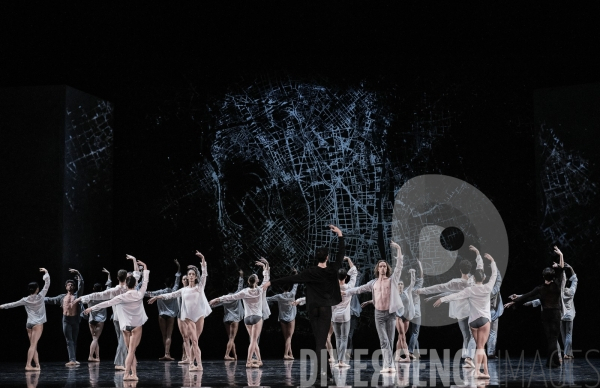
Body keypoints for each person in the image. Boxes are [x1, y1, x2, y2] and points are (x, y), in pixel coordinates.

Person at [262, 224, 345, 381]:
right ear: (327, 257)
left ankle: (327, 373)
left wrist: (271, 282)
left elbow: (290, 278)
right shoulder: (332, 269)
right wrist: (340, 235)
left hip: (313, 309)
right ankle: (322, 374)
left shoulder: (309, 272)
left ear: (317, 257)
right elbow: (341, 254)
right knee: (321, 342)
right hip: (325, 309)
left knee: (320, 340)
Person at [343, 240, 404, 374]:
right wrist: (346, 292)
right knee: (383, 340)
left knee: (390, 340)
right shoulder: (373, 283)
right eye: (380, 266)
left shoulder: (392, 280)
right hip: (379, 314)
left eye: (384, 266)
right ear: (377, 269)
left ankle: (390, 365)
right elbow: (359, 289)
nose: (383, 268)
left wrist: (398, 249)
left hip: (391, 313)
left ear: (387, 268)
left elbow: (399, 266)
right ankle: (388, 365)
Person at [433, 253, 498, 379]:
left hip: (473, 322)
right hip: (484, 321)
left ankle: (486, 372)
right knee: (480, 346)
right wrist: (492, 261)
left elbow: (456, 296)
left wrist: (443, 299)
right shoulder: (487, 287)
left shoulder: (470, 289)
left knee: (480, 346)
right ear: (483, 278)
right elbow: (494, 275)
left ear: (474, 279)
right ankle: (478, 371)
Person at [84, 258, 149, 381]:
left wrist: (91, 308)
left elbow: (107, 303)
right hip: (136, 326)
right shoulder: (140, 293)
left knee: (131, 350)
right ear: (135, 284)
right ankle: (127, 374)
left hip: (125, 326)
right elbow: (145, 281)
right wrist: (145, 267)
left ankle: (133, 374)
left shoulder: (121, 296)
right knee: (131, 351)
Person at [418, 245, 483, 368]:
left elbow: (439, 287)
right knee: (472, 335)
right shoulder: (473, 281)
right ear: (469, 270)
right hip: (472, 311)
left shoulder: (455, 283)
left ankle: (467, 357)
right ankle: (469, 357)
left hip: (461, 313)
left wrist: (423, 290)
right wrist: (478, 254)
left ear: (460, 270)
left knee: (466, 335)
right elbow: (480, 268)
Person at [73, 255, 140, 370]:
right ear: (127, 278)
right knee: (124, 341)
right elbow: (137, 274)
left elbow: (98, 295)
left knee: (122, 340)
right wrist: (134, 260)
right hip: (125, 318)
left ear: (118, 278)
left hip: (116, 318)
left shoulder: (114, 290)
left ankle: (127, 361)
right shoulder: (129, 288)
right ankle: (119, 363)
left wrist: (80, 298)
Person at [148, 251, 211, 371]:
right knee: (194, 340)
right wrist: (157, 297)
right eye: (189, 274)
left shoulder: (200, 287)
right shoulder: (183, 290)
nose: (191, 276)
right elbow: (170, 295)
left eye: (193, 274)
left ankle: (198, 365)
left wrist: (203, 258)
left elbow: (204, 274)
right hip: (188, 317)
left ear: (196, 276)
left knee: (196, 341)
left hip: (199, 316)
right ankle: (193, 364)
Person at [505, 246, 565, 368]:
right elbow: (562, 269)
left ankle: (555, 361)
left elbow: (526, 296)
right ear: (552, 277)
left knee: (550, 339)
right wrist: (561, 255)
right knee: (553, 338)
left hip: (546, 314)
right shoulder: (557, 285)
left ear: (543, 277)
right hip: (555, 314)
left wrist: (514, 302)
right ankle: (551, 362)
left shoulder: (540, 288)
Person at [210, 261, 270, 368]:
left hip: (247, 319)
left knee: (253, 340)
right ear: (256, 281)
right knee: (253, 341)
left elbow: (231, 297)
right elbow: (266, 279)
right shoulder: (260, 290)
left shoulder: (245, 291)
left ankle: (259, 360)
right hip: (256, 317)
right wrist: (265, 268)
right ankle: (248, 361)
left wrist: (218, 299)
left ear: (248, 281)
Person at [0, 268, 50, 370]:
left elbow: (12, 304)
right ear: (37, 289)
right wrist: (46, 272)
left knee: (33, 344)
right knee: (33, 345)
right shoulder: (40, 296)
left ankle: (37, 365)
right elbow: (47, 284)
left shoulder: (25, 300)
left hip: (29, 324)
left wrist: (1, 306)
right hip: (37, 324)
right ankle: (28, 365)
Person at [44, 268, 84, 367]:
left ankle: (73, 359)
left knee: (74, 340)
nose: (70, 285)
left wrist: (78, 273)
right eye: (68, 284)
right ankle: (72, 359)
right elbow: (50, 299)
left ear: (74, 287)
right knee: (69, 340)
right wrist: (38, 298)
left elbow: (81, 284)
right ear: (66, 287)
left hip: (75, 320)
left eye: (72, 285)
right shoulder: (62, 297)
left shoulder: (77, 295)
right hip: (66, 320)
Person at [144, 259, 181, 361]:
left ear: (165, 284)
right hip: (171, 315)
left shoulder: (160, 292)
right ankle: (167, 353)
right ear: (171, 283)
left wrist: (137, 291)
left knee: (163, 334)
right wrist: (178, 267)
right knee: (169, 334)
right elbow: (178, 279)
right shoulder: (174, 290)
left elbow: (148, 293)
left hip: (162, 315)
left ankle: (166, 353)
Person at [330, 256, 358, 367]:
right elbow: (354, 273)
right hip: (345, 316)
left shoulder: (332, 288)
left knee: (337, 338)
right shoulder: (349, 287)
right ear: (346, 277)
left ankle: (338, 361)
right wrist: (348, 260)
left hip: (335, 316)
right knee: (344, 338)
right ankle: (341, 361)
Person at [212, 270, 245, 360]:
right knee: (231, 338)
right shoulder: (236, 295)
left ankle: (235, 356)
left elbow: (215, 304)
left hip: (226, 319)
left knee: (231, 338)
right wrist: (241, 276)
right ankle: (226, 355)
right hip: (234, 319)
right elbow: (240, 286)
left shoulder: (224, 298)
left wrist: (209, 304)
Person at [266, 270, 298, 360]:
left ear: (282, 289)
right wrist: (295, 274)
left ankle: (290, 354)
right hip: (291, 318)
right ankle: (285, 354)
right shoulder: (292, 294)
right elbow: (295, 285)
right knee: (289, 337)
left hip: (283, 319)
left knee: (287, 338)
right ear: (288, 288)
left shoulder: (279, 296)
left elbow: (268, 299)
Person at [84, 268, 113, 362]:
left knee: (94, 338)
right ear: (101, 289)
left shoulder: (90, 296)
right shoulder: (103, 296)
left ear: (93, 289)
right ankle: (90, 356)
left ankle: (97, 357)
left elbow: (82, 301)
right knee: (95, 338)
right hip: (100, 320)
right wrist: (108, 274)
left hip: (91, 319)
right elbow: (109, 287)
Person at [407, 259, 423, 359]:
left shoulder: (407, 289)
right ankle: (411, 351)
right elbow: (421, 276)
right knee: (415, 332)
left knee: (413, 333)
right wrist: (420, 265)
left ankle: (417, 352)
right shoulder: (417, 287)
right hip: (416, 313)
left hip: (409, 313)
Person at [487, 264, 504, 359]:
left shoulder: (480, 288)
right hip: (491, 311)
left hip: (481, 312)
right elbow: (498, 279)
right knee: (492, 333)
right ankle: (490, 353)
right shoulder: (494, 289)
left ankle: (474, 353)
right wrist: (494, 266)